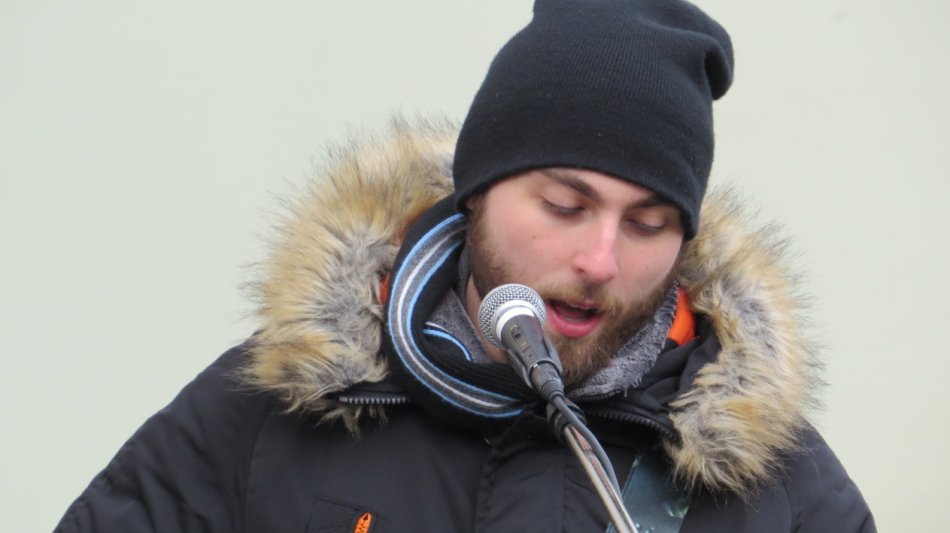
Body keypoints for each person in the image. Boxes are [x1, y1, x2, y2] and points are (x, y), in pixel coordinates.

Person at [55, 0, 875, 531]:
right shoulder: (273, 408)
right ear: (477, 191)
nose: (599, 259)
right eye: (564, 206)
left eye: (648, 224)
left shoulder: (779, 484)